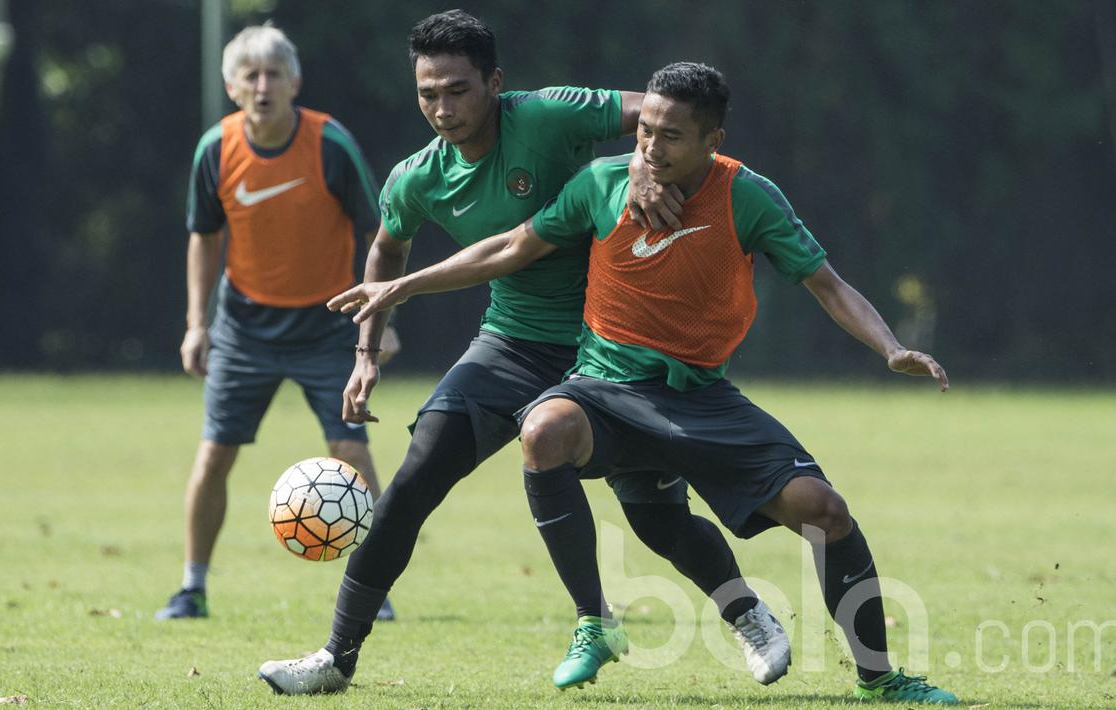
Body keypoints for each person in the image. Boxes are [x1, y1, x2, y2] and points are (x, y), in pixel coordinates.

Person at [329, 62, 961, 704]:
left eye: (671, 137)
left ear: (713, 141)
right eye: (645, 133)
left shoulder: (749, 196)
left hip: (699, 398)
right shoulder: (599, 183)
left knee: (820, 511)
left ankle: (881, 678)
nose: (652, 148)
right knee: (543, 428)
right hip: (603, 390)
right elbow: (510, 247)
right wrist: (402, 286)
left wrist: (891, 347)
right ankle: (591, 623)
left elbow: (827, 284)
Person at [257, 11, 789, 695]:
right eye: (427, 94)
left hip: (614, 353)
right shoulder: (415, 177)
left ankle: (747, 615)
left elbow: (654, 113)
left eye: (458, 90)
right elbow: (387, 250)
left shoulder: (547, 115)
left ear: (494, 84)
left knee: (656, 518)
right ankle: (336, 657)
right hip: (510, 343)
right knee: (413, 481)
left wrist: (637, 165)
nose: (442, 109)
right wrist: (366, 350)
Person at [155, 24, 395, 622]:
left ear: (295, 82)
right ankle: (192, 587)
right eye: (250, 75)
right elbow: (203, 239)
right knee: (214, 456)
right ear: (232, 86)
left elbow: (381, 234)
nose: (262, 86)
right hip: (244, 328)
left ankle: (375, 589)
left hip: (327, 325)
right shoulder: (215, 149)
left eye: (273, 74)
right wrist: (196, 323)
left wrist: (378, 320)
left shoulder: (329, 145)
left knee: (351, 450)